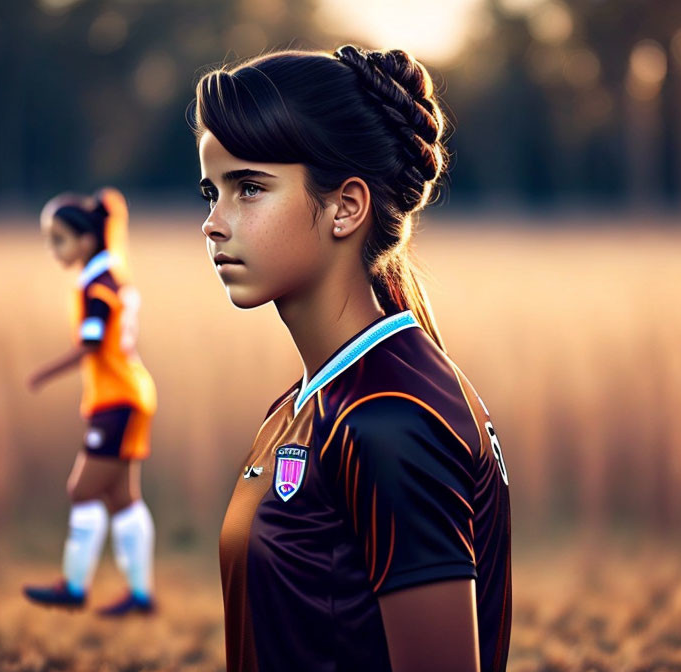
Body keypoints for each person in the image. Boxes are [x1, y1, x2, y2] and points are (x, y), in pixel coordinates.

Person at [190, 45, 511, 671]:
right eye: (211, 192)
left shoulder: (391, 416)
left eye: (249, 189)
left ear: (346, 207)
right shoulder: (307, 402)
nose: (213, 223)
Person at [23, 188, 158, 617]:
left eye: (59, 239)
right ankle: (140, 595)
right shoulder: (112, 275)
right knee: (122, 497)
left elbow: (91, 344)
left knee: (81, 489)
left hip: (117, 399)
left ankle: (74, 586)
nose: (53, 249)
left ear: (85, 240)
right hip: (132, 395)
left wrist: (43, 373)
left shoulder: (96, 285)